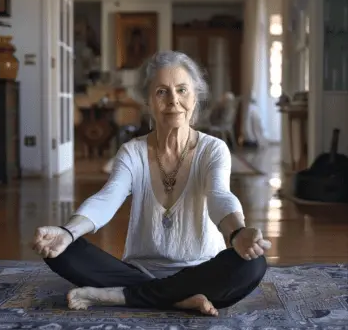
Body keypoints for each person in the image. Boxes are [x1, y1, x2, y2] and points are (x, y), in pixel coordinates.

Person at [32, 51, 272, 316]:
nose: (173, 101)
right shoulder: (132, 152)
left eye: (182, 90)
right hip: (139, 270)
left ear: (195, 97)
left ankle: (124, 295)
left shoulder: (213, 150)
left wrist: (237, 233)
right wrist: (67, 232)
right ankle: (177, 299)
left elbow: (219, 196)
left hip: (202, 271)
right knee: (62, 250)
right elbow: (106, 199)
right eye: (161, 92)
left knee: (252, 264)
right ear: (147, 101)